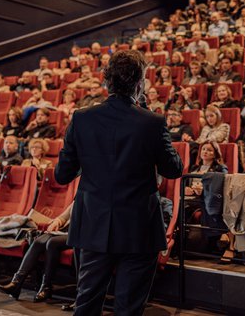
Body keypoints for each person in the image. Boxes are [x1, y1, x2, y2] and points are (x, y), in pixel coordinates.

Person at [55, 49, 183, 316]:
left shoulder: (81, 118)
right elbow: (173, 169)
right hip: (138, 228)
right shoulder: (152, 122)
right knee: (129, 308)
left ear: (106, 82)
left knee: (86, 303)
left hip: (93, 223)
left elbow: (62, 175)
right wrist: (145, 114)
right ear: (139, 83)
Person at [0, 203, 74, 302]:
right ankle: (16, 283)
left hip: (79, 234)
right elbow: (65, 215)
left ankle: (46, 287)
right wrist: (57, 222)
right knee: (39, 241)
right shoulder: (80, 193)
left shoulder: (93, 193)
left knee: (52, 243)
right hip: (65, 232)